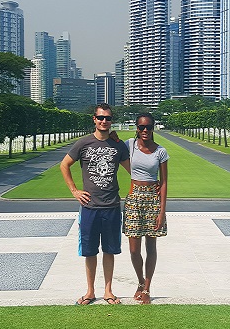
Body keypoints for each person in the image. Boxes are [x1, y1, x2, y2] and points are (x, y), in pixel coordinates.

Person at [60, 103, 130, 306]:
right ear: (94, 119)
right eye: (100, 117)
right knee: (90, 251)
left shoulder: (118, 145)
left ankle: (108, 291)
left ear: (111, 120)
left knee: (110, 250)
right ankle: (90, 291)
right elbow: (64, 164)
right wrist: (74, 191)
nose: (104, 121)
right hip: (90, 207)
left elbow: (132, 170)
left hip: (111, 206)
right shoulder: (83, 144)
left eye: (108, 118)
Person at [122, 113, 168, 304]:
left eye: (148, 127)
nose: (145, 130)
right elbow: (111, 145)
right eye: (141, 127)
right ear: (136, 128)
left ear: (153, 127)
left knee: (151, 246)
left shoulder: (160, 151)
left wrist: (162, 212)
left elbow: (164, 182)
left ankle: (147, 288)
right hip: (134, 199)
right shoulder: (129, 145)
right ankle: (140, 281)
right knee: (134, 250)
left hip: (152, 200)